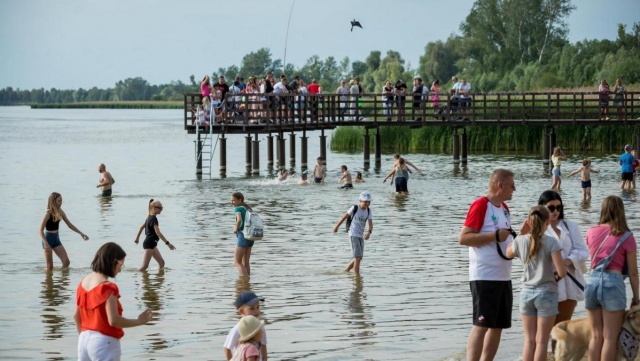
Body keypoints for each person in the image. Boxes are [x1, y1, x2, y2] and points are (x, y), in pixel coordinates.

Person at [458, 169, 516, 361]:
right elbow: (464, 238)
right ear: (500, 185)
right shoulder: (481, 205)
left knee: (498, 325)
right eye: (511, 185)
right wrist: (494, 236)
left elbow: (505, 241)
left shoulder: (505, 208)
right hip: (484, 276)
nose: (514, 189)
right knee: (481, 324)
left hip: (504, 276)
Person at [74, 242, 153, 361]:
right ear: (113, 262)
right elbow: (114, 320)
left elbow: (76, 316)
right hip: (104, 342)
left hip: (83, 341)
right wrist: (139, 321)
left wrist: (85, 337)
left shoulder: (83, 282)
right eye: (121, 265)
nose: (120, 270)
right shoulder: (108, 287)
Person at [506, 205, 566, 361]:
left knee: (529, 340)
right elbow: (562, 272)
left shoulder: (520, 241)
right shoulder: (552, 242)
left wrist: (521, 233)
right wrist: (554, 277)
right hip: (546, 292)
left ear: (529, 221)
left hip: (526, 293)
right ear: (547, 222)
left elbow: (508, 252)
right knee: (541, 342)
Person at [584, 195, 639, 361]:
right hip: (612, 284)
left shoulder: (591, 231)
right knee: (610, 337)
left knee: (595, 336)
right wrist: (637, 297)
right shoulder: (626, 236)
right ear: (621, 211)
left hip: (592, 282)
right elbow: (633, 272)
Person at [535, 190, 588, 353]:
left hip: (570, 281)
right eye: (551, 208)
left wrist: (568, 260)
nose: (555, 211)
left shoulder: (570, 225)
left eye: (559, 207)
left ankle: (556, 356)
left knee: (562, 327)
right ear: (542, 208)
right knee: (544, 330)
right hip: (549, 282)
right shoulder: (537, 228)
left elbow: (583, 251)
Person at [39, 192, 90, 270]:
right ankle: (48, 281)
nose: (61, 203)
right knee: (50, 267)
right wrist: (45, 243)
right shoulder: (48, 213)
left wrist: (81, 233)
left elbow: (70, 225)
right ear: (53, 201)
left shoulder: (60, 212)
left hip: (56, 239)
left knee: (66, 262)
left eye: (61, 201)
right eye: (59, 201)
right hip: (47, 239)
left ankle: (61, 279)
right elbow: (40, 230)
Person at [332, 191, 373, 274]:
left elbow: (370, 224)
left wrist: (369, 232)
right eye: (365, 201)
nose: (367, 203)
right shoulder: (355, 208)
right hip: (353, 234)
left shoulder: (368, 211)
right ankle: (356, 278)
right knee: (358, 257)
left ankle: (346, 271)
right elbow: (344, 217)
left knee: (359, 258)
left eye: (369, 201)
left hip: (360, 235)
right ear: (360, 201)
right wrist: (336, 227)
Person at [224, 291, 268, 361]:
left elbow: (263, 346)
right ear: (241, 311)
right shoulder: (238, 329)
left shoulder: (260, 326)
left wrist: (265, 359)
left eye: (258, 307)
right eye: (252, 308)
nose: (256, 311)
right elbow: (227, 348)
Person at [134, 199, 176, 271]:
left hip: (152, 243)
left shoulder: (149, 217)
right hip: (149, 243)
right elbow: (158, 233)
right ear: (154, 208)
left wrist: (137, 239)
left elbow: (141, 228)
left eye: (162, 208)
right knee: (145, 266)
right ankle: (135, 276)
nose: (161, 210)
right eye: (159, 208)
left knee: (161, 263)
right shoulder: (153, 218)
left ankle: (159, 280)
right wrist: (168, 243)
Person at [230, 192, 255, 276]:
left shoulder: (237, 208)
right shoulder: (247, 208)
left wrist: (235, 228)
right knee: (246, 262)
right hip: (250, 236)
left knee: (237, 262)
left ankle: (244, 283)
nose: (232, 202)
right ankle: (248, 284)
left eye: (233, 200)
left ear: (240, 200)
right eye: (231, 200)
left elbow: (239, 220)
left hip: (243, 235)